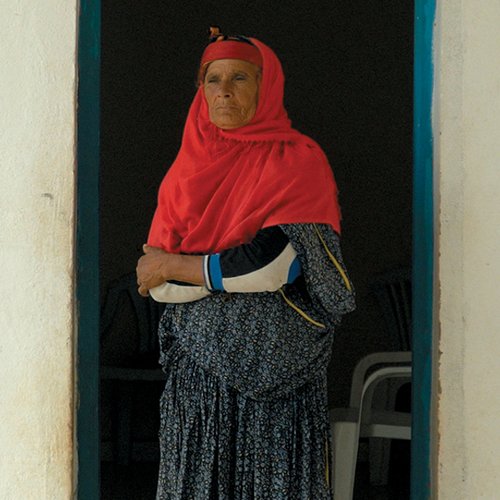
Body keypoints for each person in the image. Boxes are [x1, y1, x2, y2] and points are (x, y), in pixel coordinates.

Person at [136, 28, 355, 500]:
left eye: (240, 77)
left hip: (277, 373)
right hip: (200, 374)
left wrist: (181, 266)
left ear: (267, 86)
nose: (224, 91)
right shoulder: (185, 171)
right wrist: (214, 274)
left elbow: (273, 266)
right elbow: (157, 285)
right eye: (212, 80)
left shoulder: (297, 160)